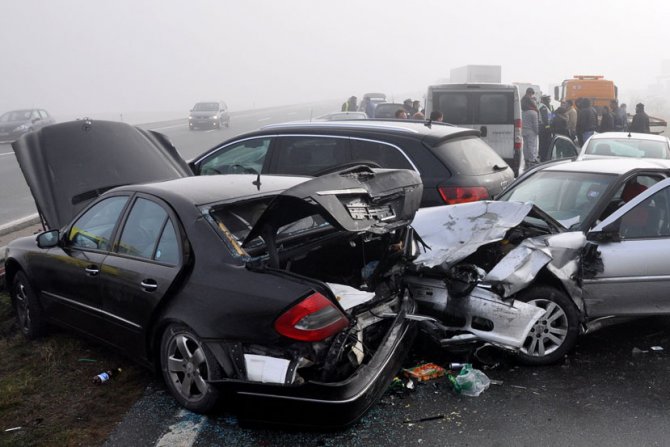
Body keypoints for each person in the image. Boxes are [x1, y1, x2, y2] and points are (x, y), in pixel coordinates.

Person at [521, 97, 539, 166]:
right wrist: (537, 131)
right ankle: (532, 159)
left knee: (525, 145)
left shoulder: (523, 112)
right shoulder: (533, 113)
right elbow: (535, 124)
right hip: (531, 131)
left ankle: (526, 158)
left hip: (524, 130)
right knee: (532, 145)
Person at [538, 95, 553, 161]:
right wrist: (548, 127)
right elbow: (545, 119)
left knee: (544, 143)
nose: (549, 101)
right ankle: (544, 157)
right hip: (544, 128)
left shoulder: (546, 107)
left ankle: (543, 156)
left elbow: (551, 116)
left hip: (544, 127)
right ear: (543, 100)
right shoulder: (543, 107)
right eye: (547, 100)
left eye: (549, 100)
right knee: (545, 143)